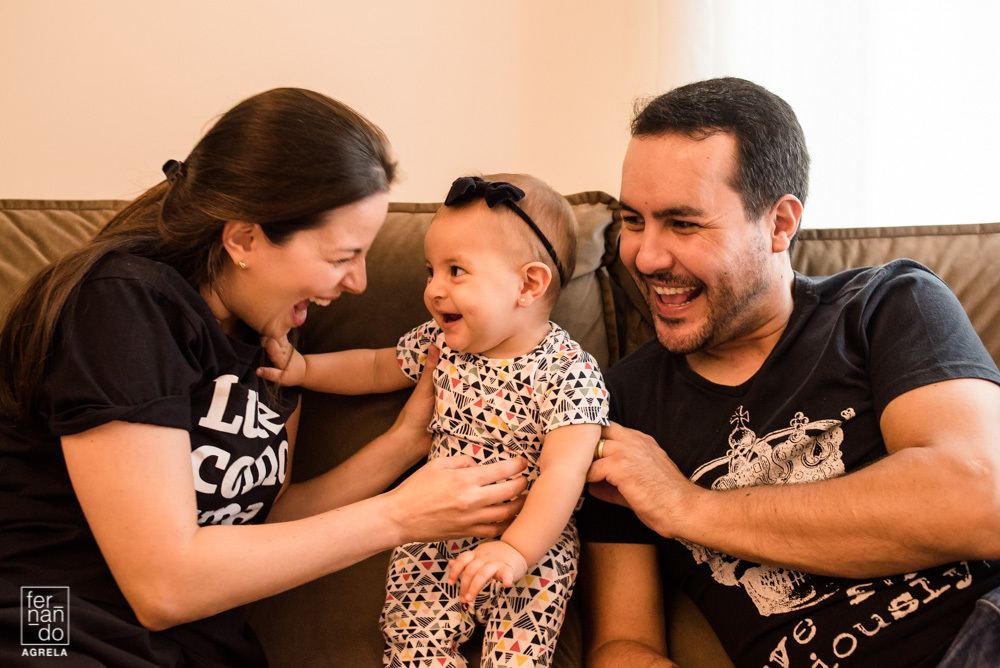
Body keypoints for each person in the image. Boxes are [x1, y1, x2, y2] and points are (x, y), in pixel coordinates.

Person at [0, 88, 531, 667]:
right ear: (244, 240)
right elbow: (164, 586)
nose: (358, 283)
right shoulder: (123, 306)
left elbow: (264, 521)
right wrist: (398, 516)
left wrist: (404, 444)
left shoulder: (274, 330)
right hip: (55, 629)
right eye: (341, 257)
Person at [578, 77, 1000, 667]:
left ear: (779, 224)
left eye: (684, 223)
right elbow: (623, 644)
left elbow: (977, 498)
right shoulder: (618, 404)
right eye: (633, 220)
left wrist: (684, 505)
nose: (646, 257)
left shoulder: (888, 304)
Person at [259, 174, 609, 668]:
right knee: (411, 645)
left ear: (529, 284)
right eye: (430, 271)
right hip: (435, 535)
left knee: (519, 657)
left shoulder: (570, 371)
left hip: (531, 548)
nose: (433, 290)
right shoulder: (440, 343)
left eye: (456, 271)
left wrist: (515, 551)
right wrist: (305, 370)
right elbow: (376, 367)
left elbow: (563, 473)